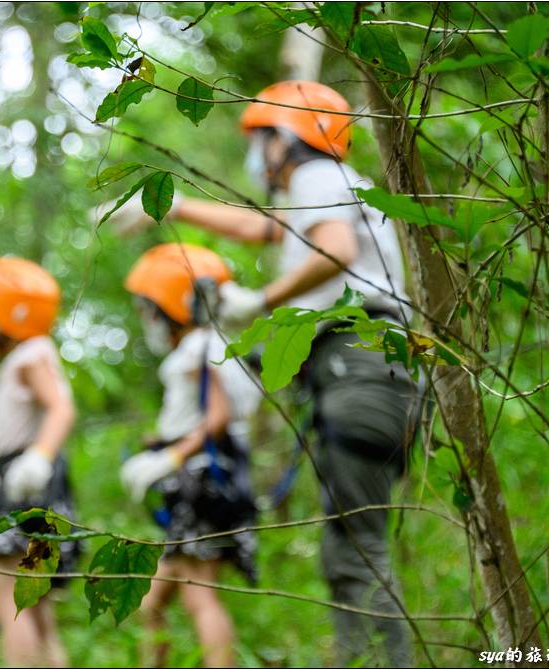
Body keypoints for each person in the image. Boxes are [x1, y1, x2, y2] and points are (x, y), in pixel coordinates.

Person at [111, 81, 421, 666]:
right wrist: (172, 207)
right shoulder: (333, 187)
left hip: (360, 368)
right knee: (352, 549)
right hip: (368, 373)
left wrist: (263, 300)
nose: (258, 156)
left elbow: (333, 248)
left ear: (286, 139)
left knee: (356, 555)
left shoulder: (318, 177)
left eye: (260, 139)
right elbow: (264, 228)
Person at [121, 242, 262, 668]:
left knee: (200, 595)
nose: (147, 320)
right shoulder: (218, 344)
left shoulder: (197, 347)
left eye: (149, 310)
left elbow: (216, 417)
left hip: (199, 482)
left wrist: (173, 456)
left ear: (169, 307)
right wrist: (160, 444)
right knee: (153, 602)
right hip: (206, 479)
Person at [0, 257, 77, 667]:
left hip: (22, 482)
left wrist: (37, 458)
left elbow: (61, 409)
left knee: (8, 595)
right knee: (34, 600)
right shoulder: (24, 358)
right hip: (15, 473)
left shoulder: (30, 355)